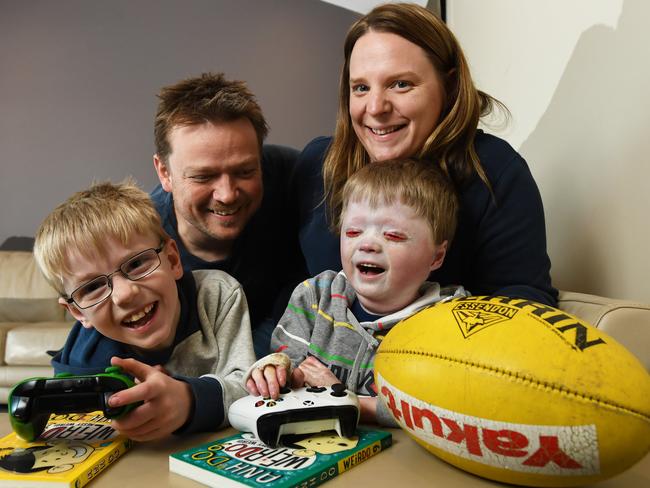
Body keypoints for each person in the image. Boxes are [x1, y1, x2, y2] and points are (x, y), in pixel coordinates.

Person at [291, 3, 557, 306]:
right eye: (361, 87)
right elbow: (285, 290)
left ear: (450, 86)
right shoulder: (317, 164)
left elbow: (524, 303)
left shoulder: (496, 173)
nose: (376, 108)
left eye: (400, 84)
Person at [246, 159, 468, 426]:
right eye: (353, 231)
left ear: (436, 256)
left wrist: (343, 398)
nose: (368, 244)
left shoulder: (448, 323)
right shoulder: (315, 297)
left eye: (393, 236)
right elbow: (287, 364)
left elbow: (436, 411)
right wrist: (272, 371)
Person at [33, 181, 256, 441]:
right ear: (78, 312)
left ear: (173, 260)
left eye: (137, 263)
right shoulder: (83, 358)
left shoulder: (217, 295)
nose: (125, 294)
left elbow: (251, 388)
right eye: (92, 287)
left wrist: (189, 400)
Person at [151, 72, 305, 358]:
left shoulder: (292, 178)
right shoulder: (140, 241)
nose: (227, 194)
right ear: (165, 173)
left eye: (245, 172)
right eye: (203, 176)